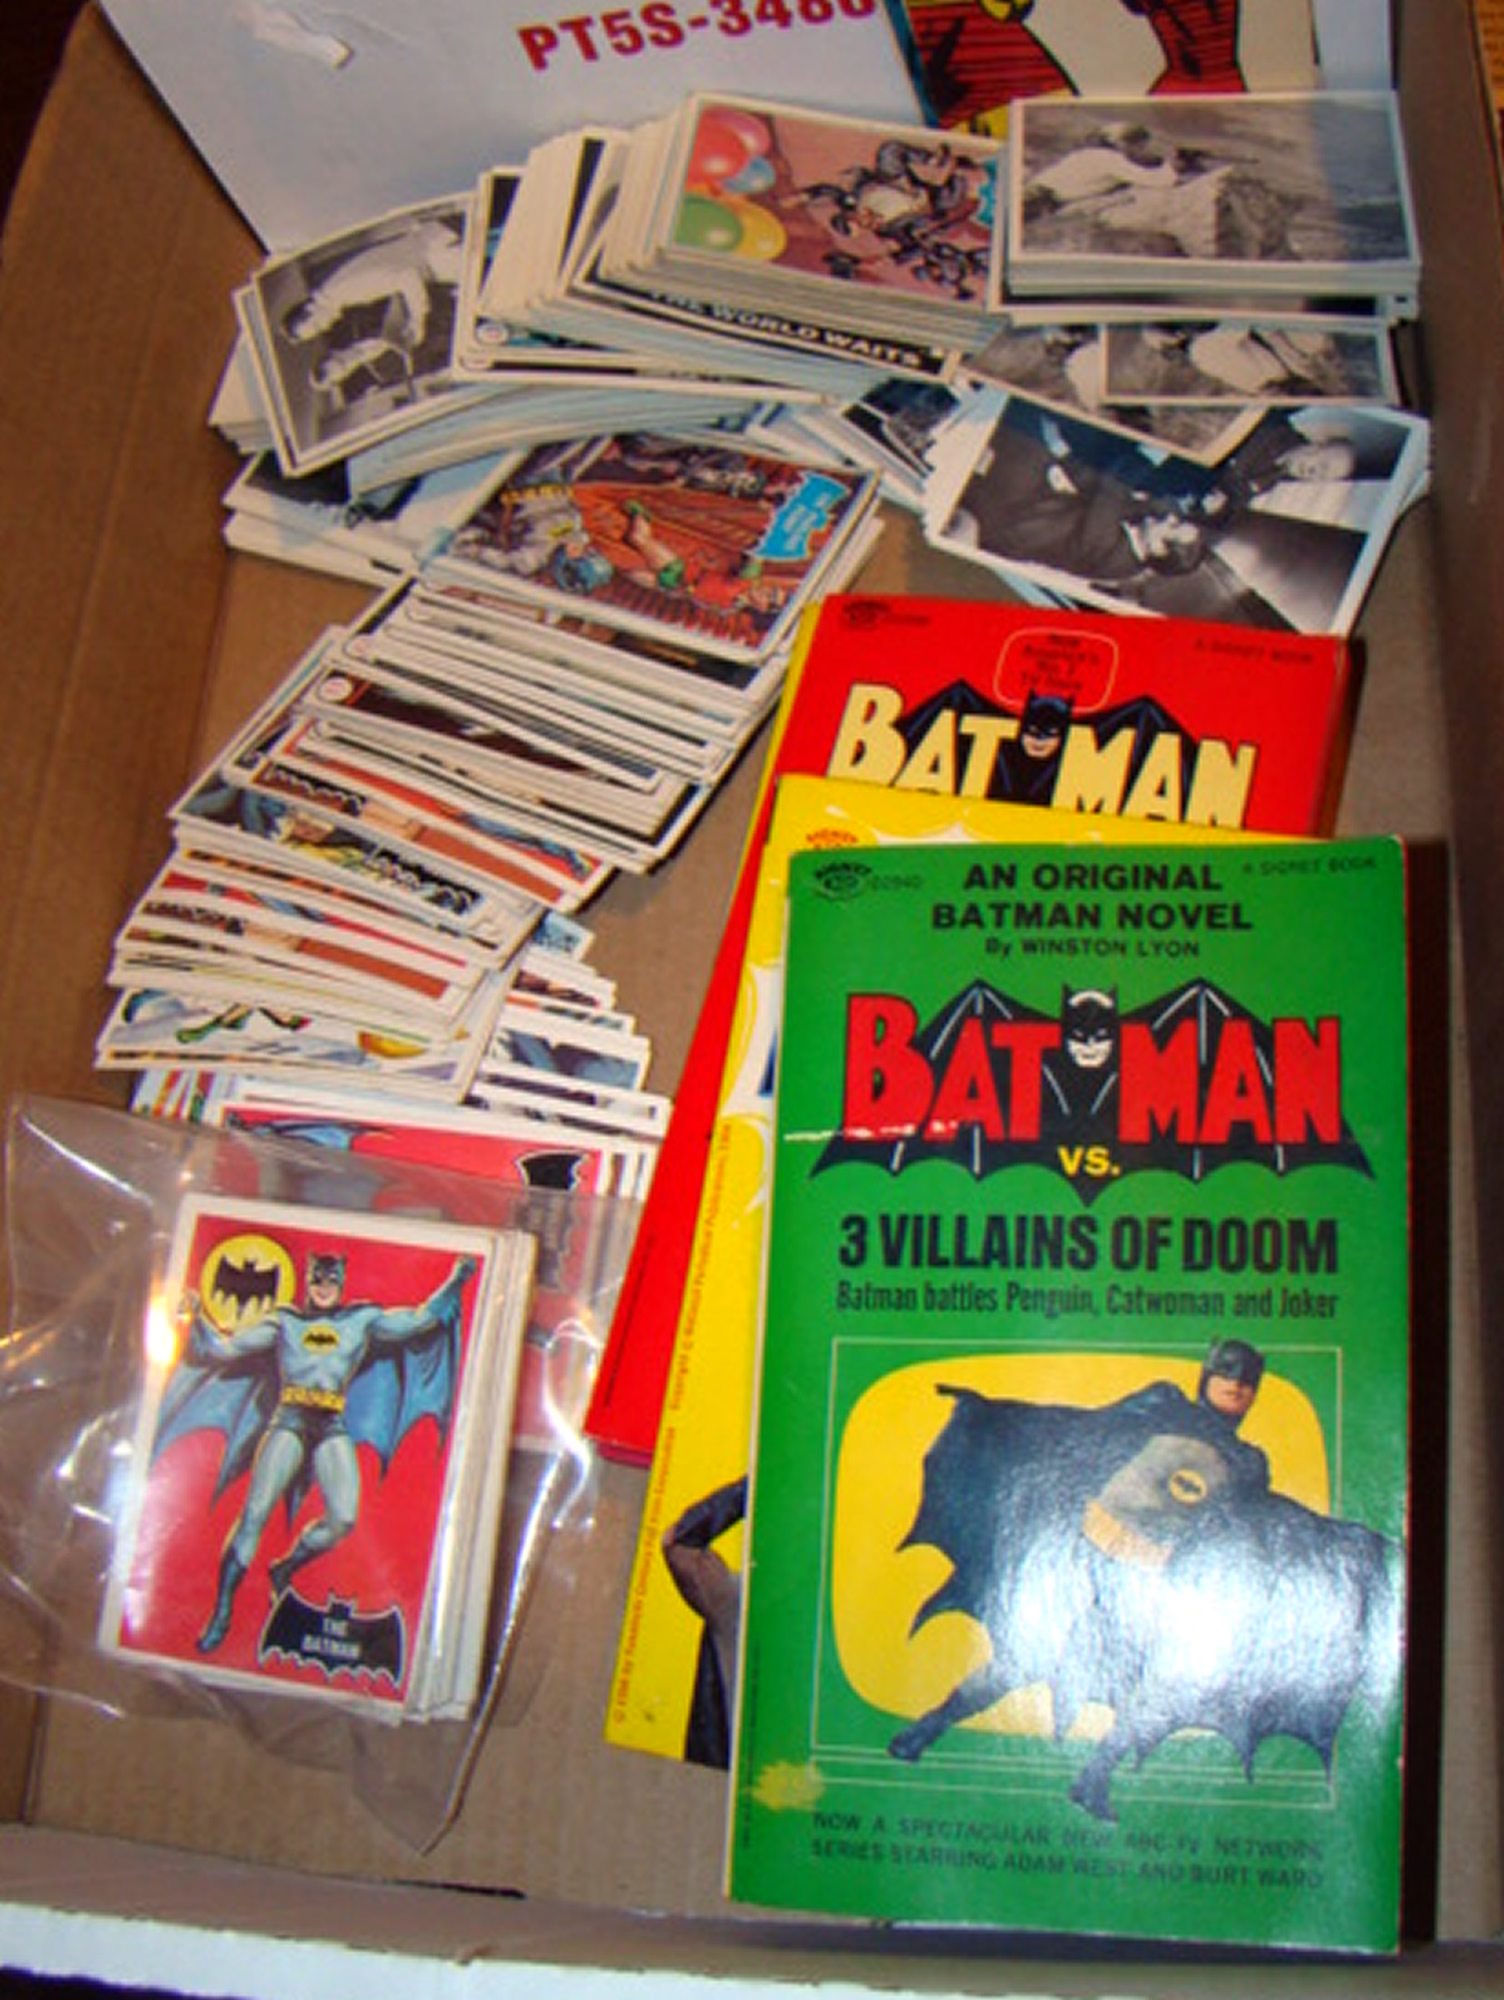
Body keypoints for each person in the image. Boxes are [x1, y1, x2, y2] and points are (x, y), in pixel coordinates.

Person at [182, 1246, 478, 1652]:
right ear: (308, 1281)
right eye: (317, 1280)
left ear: (341, 1282)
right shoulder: (285, 1321)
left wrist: (456, 1281)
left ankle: (286, 1567)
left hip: (331, 1423)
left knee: (343, 1518)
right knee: (254, 1513)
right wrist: (197, 1315)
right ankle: (222, 1613)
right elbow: (224, 1348)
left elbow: (420, 1319)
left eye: (331, 1280)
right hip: (290, 1418)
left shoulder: (361, 1320)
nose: (324, 1287)